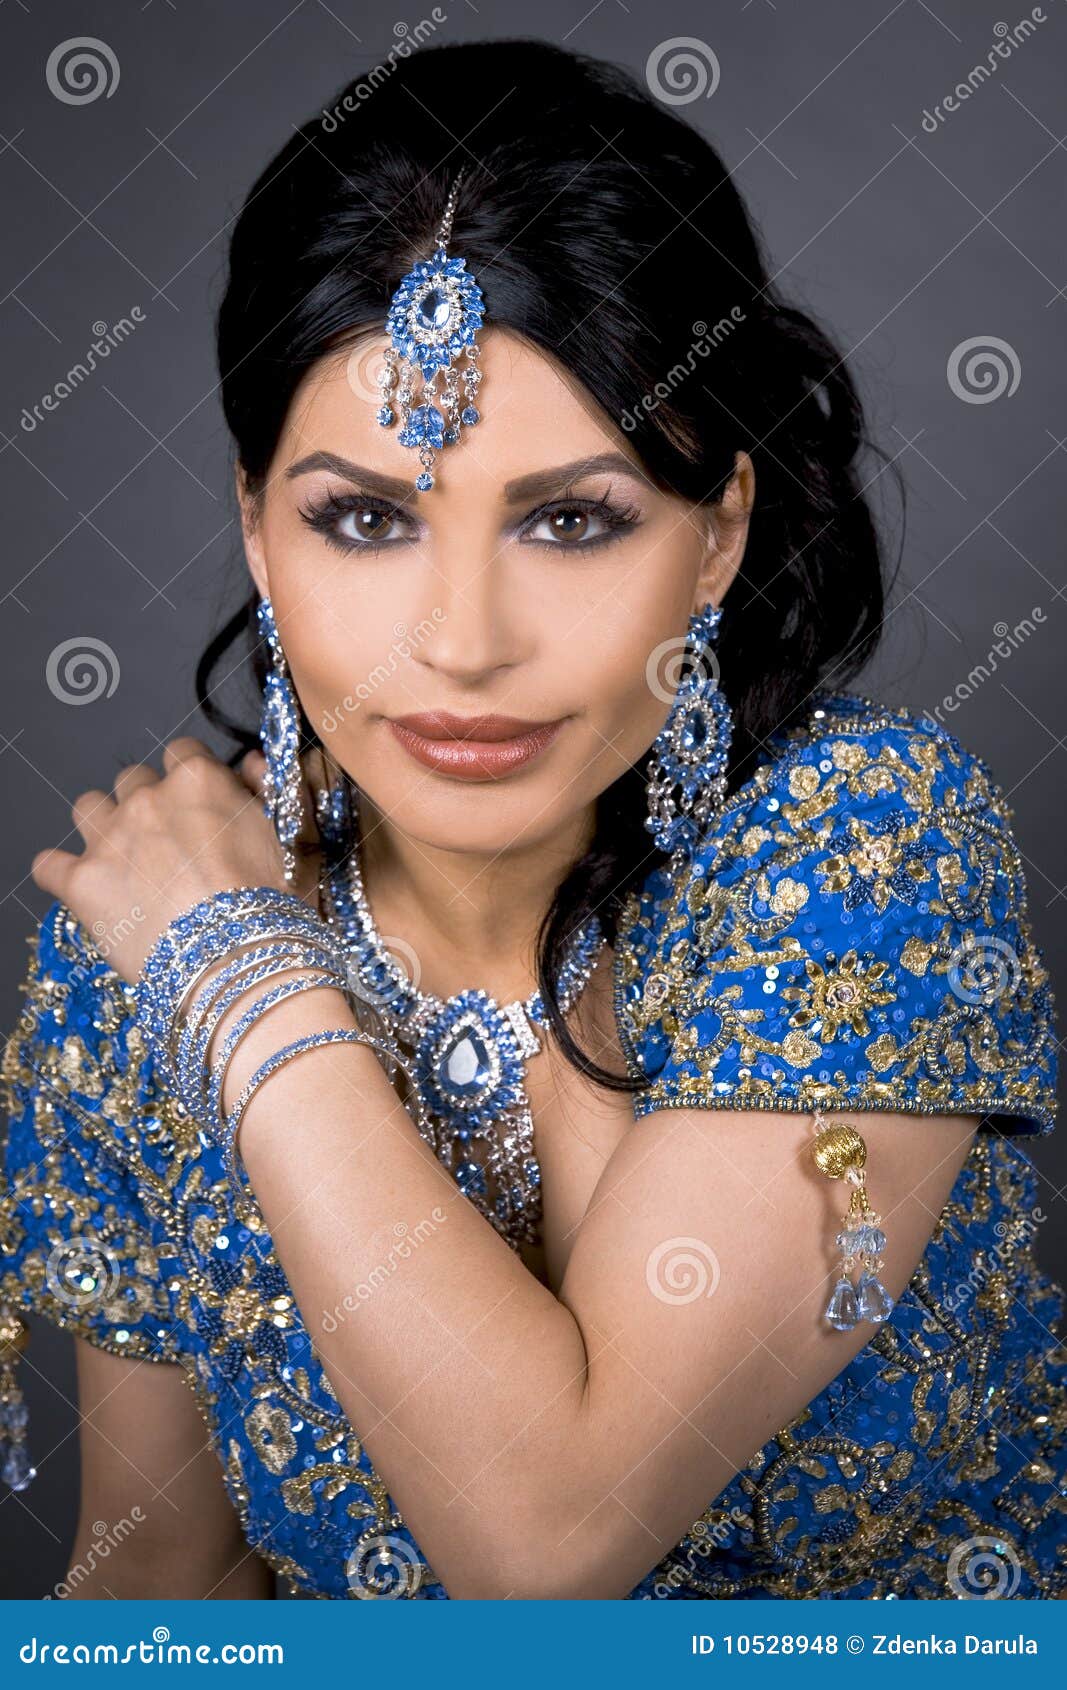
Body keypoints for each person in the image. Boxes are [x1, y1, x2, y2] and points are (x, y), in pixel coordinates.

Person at [1, 38, 1062, 1601]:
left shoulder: (863, 854)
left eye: (573, 519)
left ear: (718, 537)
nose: (465, 641)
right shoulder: (143, 933)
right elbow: (161, 1578)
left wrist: (247, 979)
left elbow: (549, 1542)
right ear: (254, 524)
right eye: (365, 518)